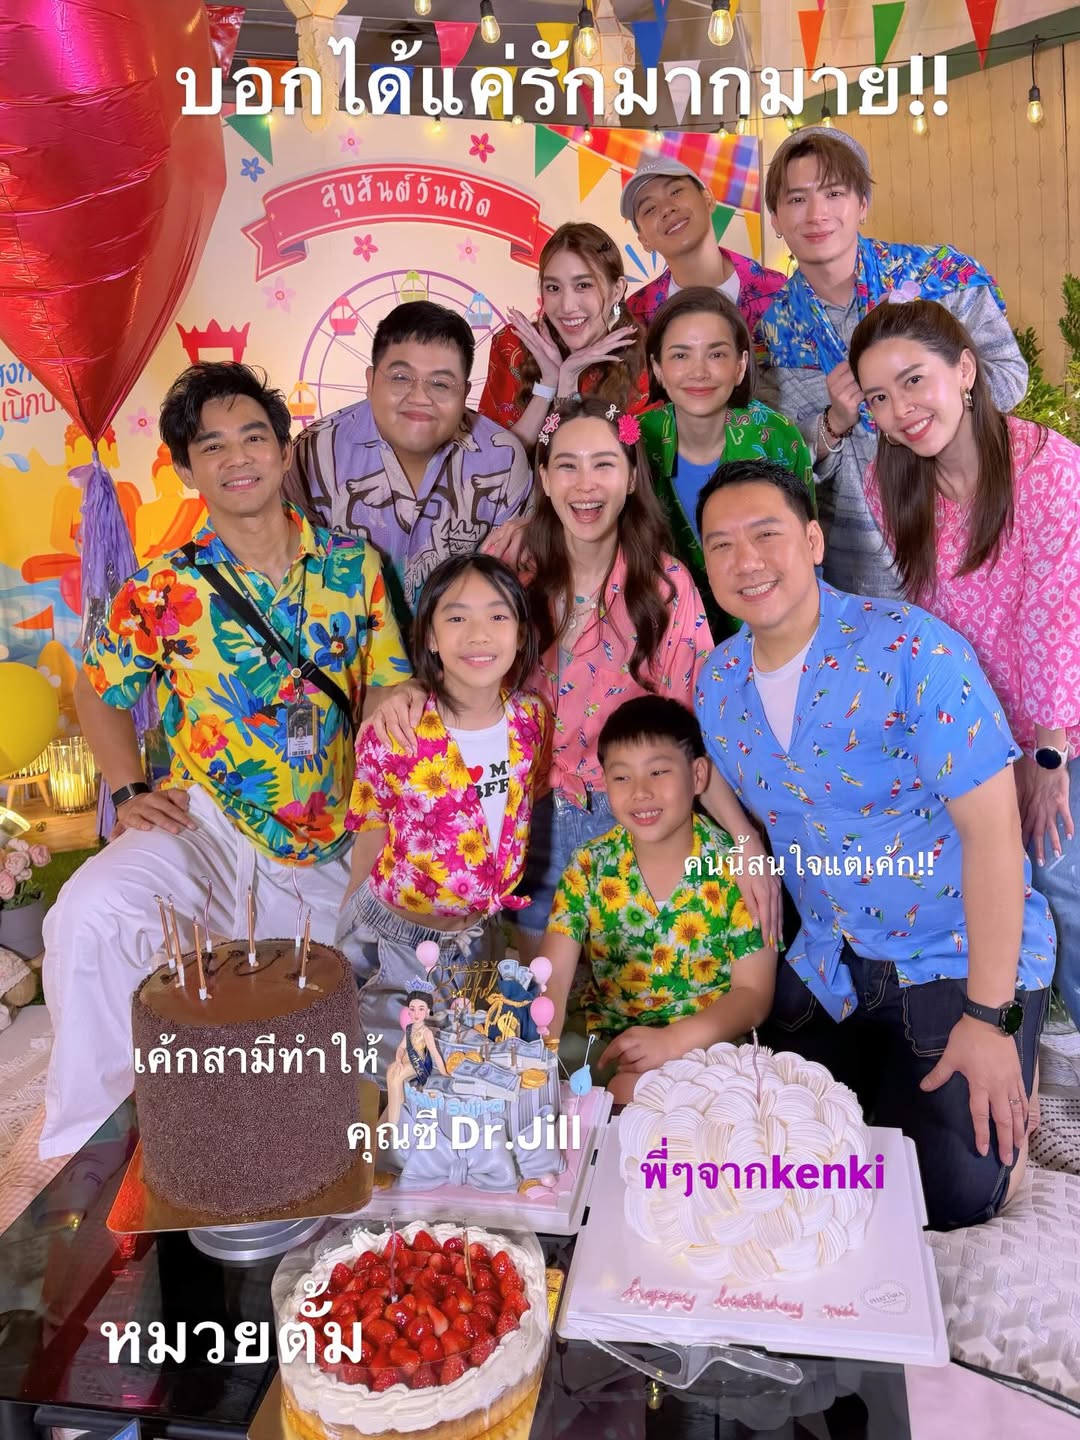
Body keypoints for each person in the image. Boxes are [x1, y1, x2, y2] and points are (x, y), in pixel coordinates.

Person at [40, 363, 410, 1160]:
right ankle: (91, 1151)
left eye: (254, 437)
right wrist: (128, 790)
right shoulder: (162, 587)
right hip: (206, 826)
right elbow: (98, 687)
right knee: (90, 910)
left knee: (371, 1003)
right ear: (187, 469)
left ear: (283, 450)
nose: (238, 458)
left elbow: (387, 682)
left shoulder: (355, 566)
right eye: (213, 447)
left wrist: (381, 805)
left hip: (333, 836)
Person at [693, 457, 1054, 1231]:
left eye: (766, 534)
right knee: (778, 1155)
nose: (746, 560)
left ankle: (1014, 1075)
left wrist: (990, 1018)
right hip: (831, 957)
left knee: (946, 1196)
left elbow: (994, 837)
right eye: (721, 545)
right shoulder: (718, 682)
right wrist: (745, 838)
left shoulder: (912, 651)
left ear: (814, 541)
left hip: (955, 952)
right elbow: (717, 772)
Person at [370, 399, 783, 965]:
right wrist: (414, 689)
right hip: (516, 815)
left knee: (621, 992)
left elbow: (690, 731)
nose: (585, 484)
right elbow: (458, 657)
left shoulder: (666, 586)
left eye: (603, 464)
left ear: (631, 476)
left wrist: (744, 839)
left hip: (626, 819)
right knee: (531, 994)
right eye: (567, 465)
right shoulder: (508, 561)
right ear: (543, 477)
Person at [849, 298, 1080, 1028]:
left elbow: (1054, 619)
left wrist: (1045, 757)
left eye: (914, 381)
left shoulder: (1048, 468)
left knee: (1063, 882)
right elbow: (930, 624)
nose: (900, 411)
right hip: (976, 730)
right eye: (878, 398)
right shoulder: (890, 486)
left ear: (967, 370)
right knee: (990, 892)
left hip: (1060, 725)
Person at [760, 127, 1029, 599]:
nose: (817, 214)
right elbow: (785, 453)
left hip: (970, 531)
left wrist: (929, 395)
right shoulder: (777, 329)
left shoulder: (939, 277)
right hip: (861, 563)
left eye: (834, 193)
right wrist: (832, 423)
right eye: (797, 199)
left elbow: (1009, 373)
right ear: (776, 218)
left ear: (862, 204)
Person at [337, 553, 548, 1076]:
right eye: (456, 617)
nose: (479, 634)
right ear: (430, 636)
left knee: (465, 1075)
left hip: (480, 938)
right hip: (397, 946)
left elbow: (519, 807)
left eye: (498, 615)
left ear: (521, 633)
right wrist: (346, 939)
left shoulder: (530, 720)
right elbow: (370, 834)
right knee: (397, 1082)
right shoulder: (395, 733)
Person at [541, 696, 776, 1103]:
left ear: (698, 775)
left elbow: (754, 996)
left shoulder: (738, 868)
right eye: (622, 777)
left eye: (658, 772)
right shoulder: (589, 864)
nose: (641, 792)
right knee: (555, 1088)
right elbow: (554, 976)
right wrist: (538, 1047)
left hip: (706, 1044)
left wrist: (672, 1042)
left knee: (649, 1098)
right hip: (606, 1039)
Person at [284, 301, 532, 640]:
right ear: (371, 380)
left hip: (464, 657)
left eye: (441, 384)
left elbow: (514, 593)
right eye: (401, 378)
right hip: (345, 655)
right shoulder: (313, 454)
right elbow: (286, 578)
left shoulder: (502, 458)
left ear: (464, 393)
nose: (420, 397)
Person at [640, 287, 815, 637]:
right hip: (664, 635)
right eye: (680, 355)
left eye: (716, 354)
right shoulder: (634, 441)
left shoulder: (777, 436)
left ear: (740, 366)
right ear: (657, 368)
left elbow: (804, 554)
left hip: (770, 631)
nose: (699, 372)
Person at [477, 222, 649, 451]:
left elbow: (588, 466)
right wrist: (548, 384)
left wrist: (568, 380)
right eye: (553, 288)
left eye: (583, 285)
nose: (567, 307)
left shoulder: (640, 360)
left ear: (617, 290)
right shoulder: (513, 345)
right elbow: (493, 461)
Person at [620, 155, 788, 370]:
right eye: (649, 209)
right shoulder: (636, 316)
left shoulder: (777, 292)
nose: (666, 208)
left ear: (708, 199)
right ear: (644, 240)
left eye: (676, 191)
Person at [385, 982, 448, 1126]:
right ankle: (393, 1117)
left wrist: (444, 1072)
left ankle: (398, 1121)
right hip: (405, 1060)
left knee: (397, 1078)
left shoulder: (426, 1032)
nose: (416, 1013)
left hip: (418, 1064)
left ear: (427, 1011)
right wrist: (398, 1059)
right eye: (412, 1009)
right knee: (390, 1071)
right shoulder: (409, 1028)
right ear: (408, 1011)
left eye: (421, 1009)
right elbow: (401, 1047)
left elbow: (435, 1054)